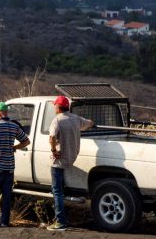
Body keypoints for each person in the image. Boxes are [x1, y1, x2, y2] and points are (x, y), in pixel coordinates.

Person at [47, 95, 94, 231]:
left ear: (58, 107)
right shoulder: (76, 118)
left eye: (55, 105)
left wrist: (53, 150)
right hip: (71, 157)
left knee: (57, 192)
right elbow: (89, 123)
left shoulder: (57, 120)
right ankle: (63, 217)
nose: (54, 107)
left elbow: (52, 137)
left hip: (58, 161)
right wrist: (92, 123)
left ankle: (60, 222)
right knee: (60, 190)